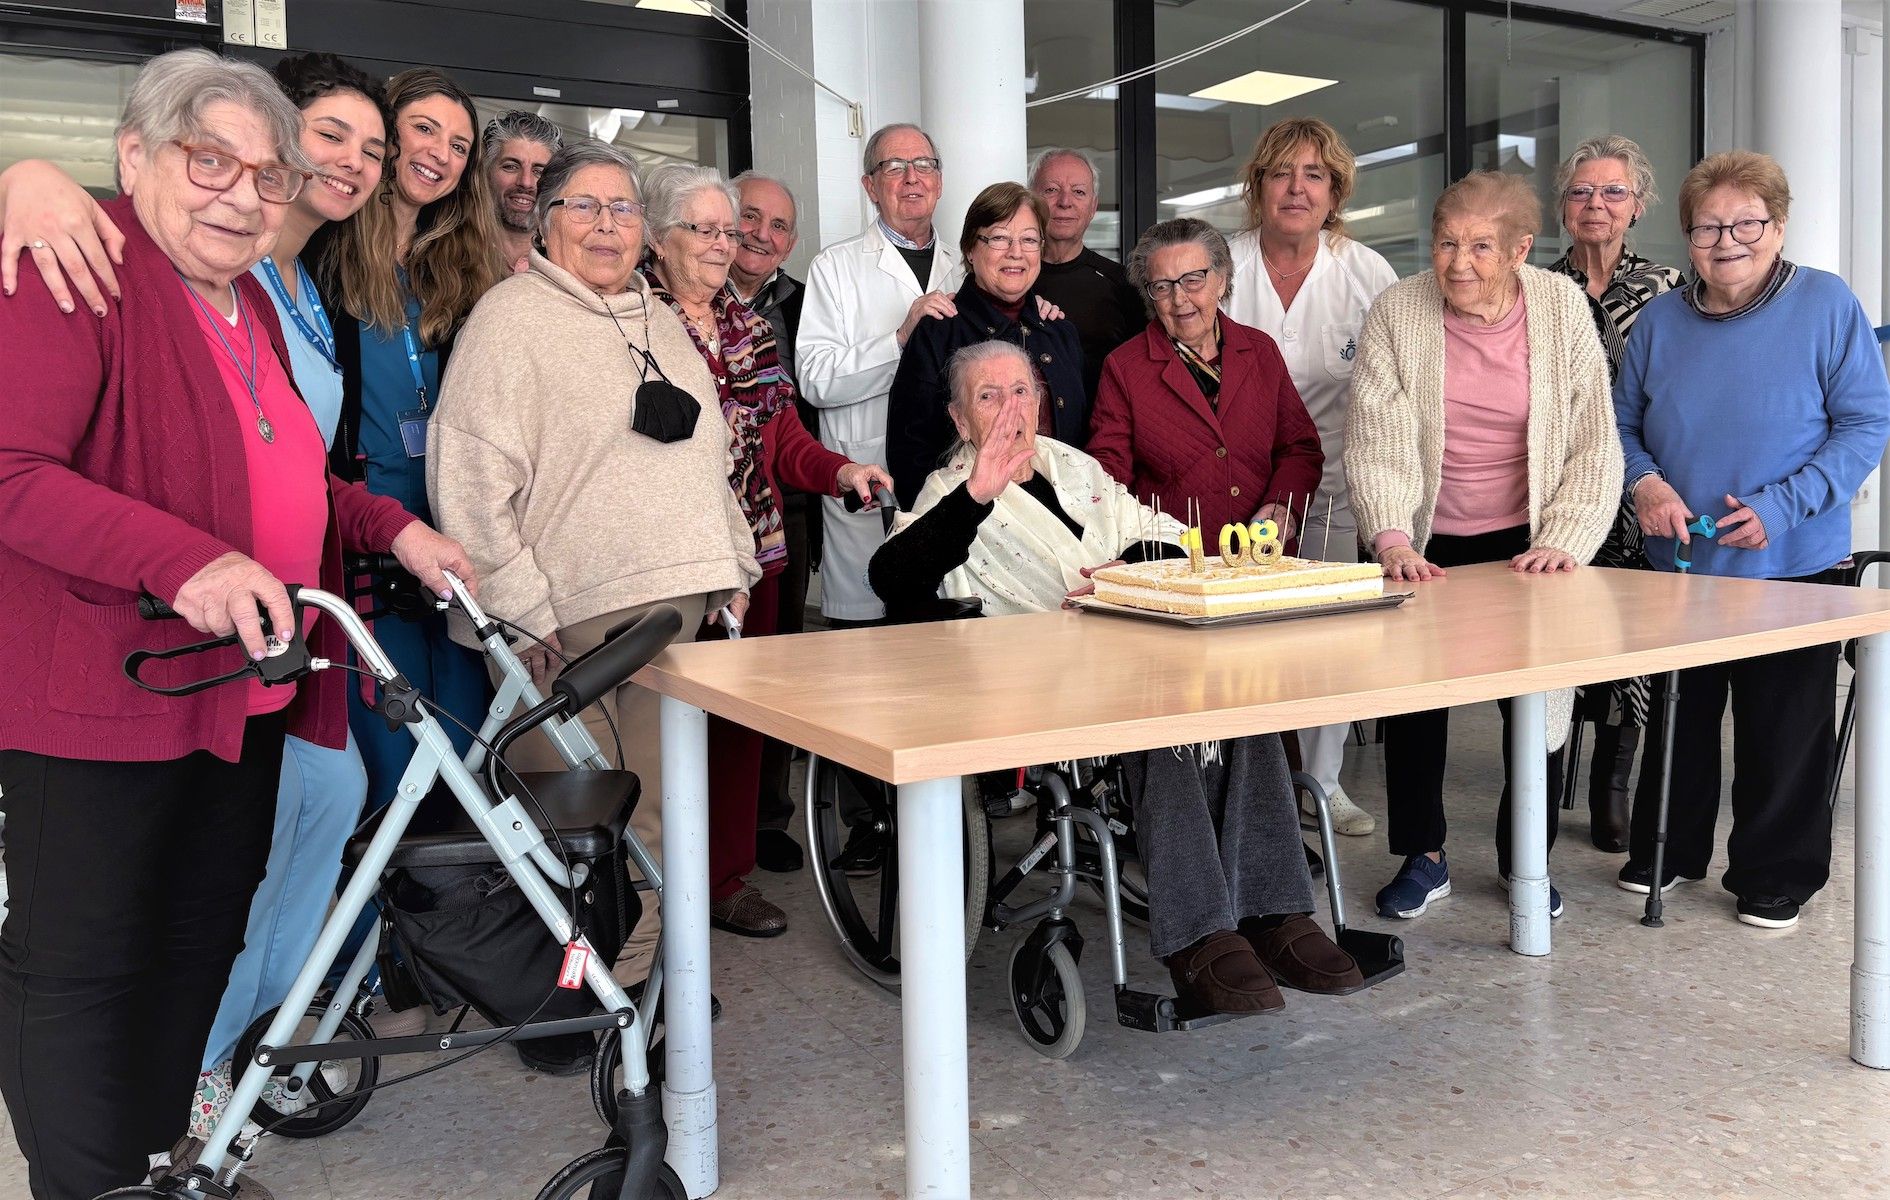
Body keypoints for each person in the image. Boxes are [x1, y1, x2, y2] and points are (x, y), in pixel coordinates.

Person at [0, 49, 472, 1200]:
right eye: (208, 160)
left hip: (244, 688)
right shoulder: (78, 270)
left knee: (197, 938)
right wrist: (185, 561)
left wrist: (388, 527)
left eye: (265, 175)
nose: (239, 193)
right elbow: (12, 471)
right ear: (134, 158)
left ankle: (161, 1162)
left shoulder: (252, 294)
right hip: (103, 700)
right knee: (84, 966)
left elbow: (290, 469)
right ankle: (91, 1183)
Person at [868, 340, 1363, 1015]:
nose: (1010, 408)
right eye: (988, 396)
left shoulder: (1076, 468)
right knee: (1161, 725)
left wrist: (1130, 565)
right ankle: (1198, 939)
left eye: (1020, 391)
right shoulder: (949, 493)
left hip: (1140, 650)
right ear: (960, 420)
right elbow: (892, 575)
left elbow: (1162, 534)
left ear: (1038, 401)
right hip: (1042, 685)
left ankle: (1275, 915)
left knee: (1242, 699)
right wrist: (979, 494)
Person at [429, 141, 761, 1005]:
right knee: (570, 821)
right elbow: (466, 481)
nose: (607, 225)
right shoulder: (507, 320)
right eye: (585, 207)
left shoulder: (660, 321)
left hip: (680, 615)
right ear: (546, 222)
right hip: (566, 626)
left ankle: (642, 983)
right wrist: (518, 609)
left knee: (654, 816)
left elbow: (710, 459)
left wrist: (732, 560)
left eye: (623, 210)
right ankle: (563, 995)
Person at [1614, 150, 1890, 929]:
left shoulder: (1827, 303)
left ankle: (1776, 873)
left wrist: (1785, 505)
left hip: (1793, 560)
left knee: (1784, 726)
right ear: (1687, 236)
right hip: (1683, 563)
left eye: (1747, 223)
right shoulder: (1663, 318)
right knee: (1680, 716)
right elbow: (1622, 423)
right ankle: (1668, 850)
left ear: (1778, 225)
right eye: (1708, 226)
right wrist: (1646, 484)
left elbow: (1866, 422)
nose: (1728, 239)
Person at [1345, 170, 1621, 923]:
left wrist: (1566, 540)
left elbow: (1595, 440)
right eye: (1445, 244)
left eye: (1480, 247)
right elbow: (1378, 440)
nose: (1458, 263)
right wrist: (1393, 536)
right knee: (1414, 697)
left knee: (1536, 696)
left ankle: (1523, 853)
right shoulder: (1400, 311)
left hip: (1531, 535)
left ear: (1522, 249)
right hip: (1428, 533)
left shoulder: (1562, 308)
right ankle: (1422, 854)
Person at [638, 163, 893, 937]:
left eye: (730, 229)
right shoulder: (631, 318)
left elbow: (782, 440)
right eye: (709, 229)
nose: (728, 243)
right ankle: (653, 893)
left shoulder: (746, 327)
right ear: (659, 235)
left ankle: (723, 879)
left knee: (742, 730)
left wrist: (840, 469)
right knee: (662, 732)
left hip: (759, 554)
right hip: (671, 561)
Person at [323, 67, 502, 831]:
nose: (441, 153)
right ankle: (368, 945)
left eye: (460, 145)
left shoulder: (463, 272)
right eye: (425, 129)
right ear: (387, 134)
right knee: (388, 775)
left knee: (467, 754)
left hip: (456, 549)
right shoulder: (319, 259)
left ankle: (440, 947)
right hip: (366, 546)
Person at [1225, 117, 1398, 840]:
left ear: (1336, 193)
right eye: (1281, 173)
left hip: (1330, 492)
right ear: (1257, 186)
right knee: (1238, 646)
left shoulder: (1368, 274)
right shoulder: (1221, 263)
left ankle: (1322, 785)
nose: (1297, 189)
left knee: (1328, 643)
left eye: (1314, 175)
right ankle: (1241, 786)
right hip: (1231, 488)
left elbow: (1396, 388)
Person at [1543, 134, 1685, 854]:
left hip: (1636, 492)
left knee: (1630, 648)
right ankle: (1542, 784)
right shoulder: (1536, 286)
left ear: (1638, 205)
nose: (1596, 204)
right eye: (1581, 191)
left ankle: (1612, 789)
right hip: (1554, 495)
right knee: (1559, 644)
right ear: (1563, 204)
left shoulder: (1667, 288)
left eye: (1613, 192)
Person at [798, 122, 963, 625]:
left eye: (925, 165)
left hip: (951, 479)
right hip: (872, 480)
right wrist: (898, 340)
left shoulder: (965, 266)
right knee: (866, 657)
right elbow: (815, 378)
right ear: (870, 186)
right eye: (895, 167)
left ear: (939, 179)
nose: (912, 177)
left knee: (949, 644)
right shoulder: (835, 268)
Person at [1087, 217, 1322, 541]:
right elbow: (1108, 476)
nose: (1179, 298)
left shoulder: (1260, 351)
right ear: (1149, 294)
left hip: (1260, 561)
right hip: (1172, 566)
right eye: (1162, 286)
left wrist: (1284, 507)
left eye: (1193, 280)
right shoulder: (1125, 367)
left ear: (1221, 280)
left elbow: (1300, 448)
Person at [885, 180, 1087, 508]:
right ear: (969, 248)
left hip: (1064, 518)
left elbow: (1081, 443)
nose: (1016, 253)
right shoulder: (937, 333)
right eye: (999, 238)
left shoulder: (1060, 332)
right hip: (976, 531)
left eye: (1029, 240)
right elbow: (910, 455)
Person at [728, 169, 814, 874]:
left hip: (783, 508)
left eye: (777, 226)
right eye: (747, 218)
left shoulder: (794, 303)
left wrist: (834, 471)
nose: (760, 234)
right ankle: (710, 833)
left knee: (776, 669)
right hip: (703, 523)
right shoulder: (657, 300)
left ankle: (763, 820)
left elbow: (787, 417)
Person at [1029, 147, 1143, 399]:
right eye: (1051, 190)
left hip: (1100, 431)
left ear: (1093, 207)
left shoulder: (1123, 284)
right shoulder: (1008, 278)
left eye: (1078, 192)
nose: (1065, 202)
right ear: (1031, 200)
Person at [483, 108, 564, 274]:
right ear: (486, 172)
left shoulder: (569, 262)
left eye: (539, 171)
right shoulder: (449, 253)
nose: (526, 182)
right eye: (511, 167)